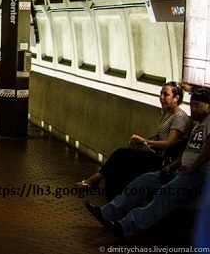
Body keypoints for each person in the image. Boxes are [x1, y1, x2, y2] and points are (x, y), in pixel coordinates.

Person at [85, 87, 210, 240]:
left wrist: (194, 167)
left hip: (198, 175)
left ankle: (127, 227)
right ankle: (108, 213)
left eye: (198, 105)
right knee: (144, 181)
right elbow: (189, 151)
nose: (193, 109)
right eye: (192, 105)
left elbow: (208, 149)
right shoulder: (198, 125)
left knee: (165, 195)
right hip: (182, 170)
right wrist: (174, 165)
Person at [76, 81, 190, 201]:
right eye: (160, 94)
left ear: (176, 98)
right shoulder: (168, 115)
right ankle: (110, 198)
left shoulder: (179, 117)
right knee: (118, 166)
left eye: (165, 94)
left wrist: (144, 141)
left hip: (162, 161)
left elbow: (168, 143)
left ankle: (96, 180)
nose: (161, 98)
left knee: (121, 155)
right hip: (155, 155)